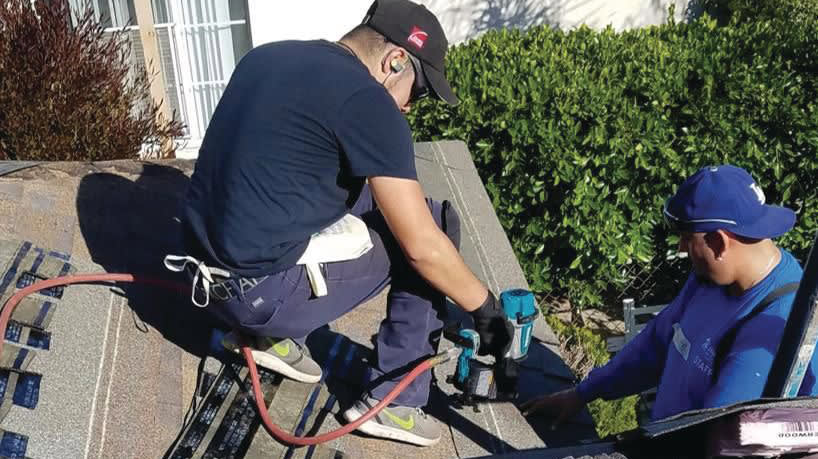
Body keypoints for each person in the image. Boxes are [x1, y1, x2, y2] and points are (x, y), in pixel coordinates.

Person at [168, 0, 513, 447]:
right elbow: (423, 247)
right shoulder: (370, 102)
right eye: (419, 92)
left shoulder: (270, 55)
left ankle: (261, 337)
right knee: (432, 227)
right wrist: (484, 309)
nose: (409, 108)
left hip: (199, 275)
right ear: (395, 61)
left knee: (385, 206)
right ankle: (395, 402)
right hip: (257, 295)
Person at [522, 165, 818, 427]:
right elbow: (658, 344)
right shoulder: (709, 279)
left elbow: (714, 436)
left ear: (718, 242)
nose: (680, 249)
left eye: (687, 238)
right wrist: (582, 393)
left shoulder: (776, 328)